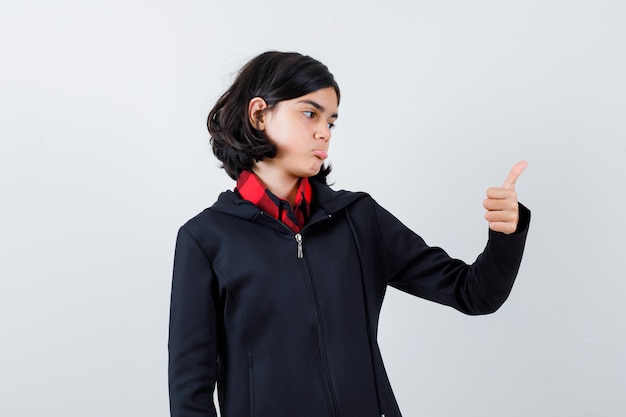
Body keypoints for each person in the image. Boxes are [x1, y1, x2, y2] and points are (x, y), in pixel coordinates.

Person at [168, 51, 530, 417]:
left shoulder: (357, 218)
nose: (324, 131)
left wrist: (506, 233)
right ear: (259, 114)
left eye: (331, 121)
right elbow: (190, 394)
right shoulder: (206, 239)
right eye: (310, 113)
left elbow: (474, 293)